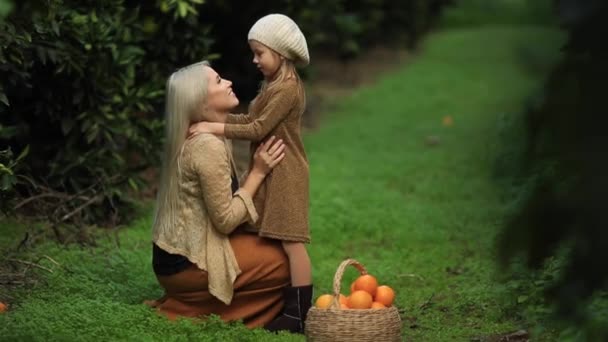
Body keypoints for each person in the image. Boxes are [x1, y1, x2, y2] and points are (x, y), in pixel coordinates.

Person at [188, 13, 312, 333]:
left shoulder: (287, 88)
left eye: (260, 53)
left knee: (291, 242)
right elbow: (248, 121)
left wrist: (211, 126)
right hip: (270, 169)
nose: (254, 59)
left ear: (281, 53)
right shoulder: (272, 85)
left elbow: (257, 127)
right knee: (257, 232)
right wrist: (218, 127)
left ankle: (298, 315)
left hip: (285, 172)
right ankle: (262, 298)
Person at [146, 60, 291, 329]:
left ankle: (195, 304)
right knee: (282, 261)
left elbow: (223, 195)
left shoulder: (210, 135)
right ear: (201, 104)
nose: (228, 82)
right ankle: (190, 310)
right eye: (218, 81)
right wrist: (258, 173)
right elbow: (224, 220)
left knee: (278, 246)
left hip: (175, 260)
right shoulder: (206, 145)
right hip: (185, 267)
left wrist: (255, 173)